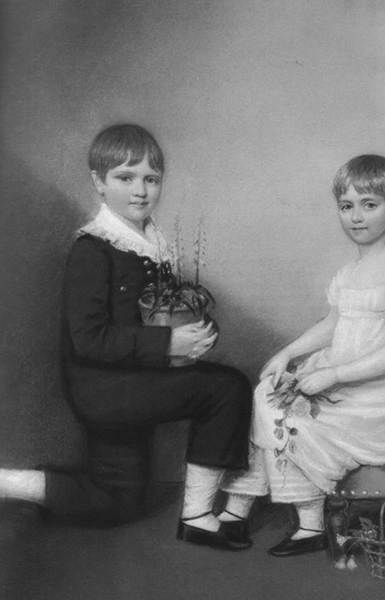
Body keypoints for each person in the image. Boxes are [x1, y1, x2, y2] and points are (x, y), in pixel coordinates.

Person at [0, 124, 252, 551]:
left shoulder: (151, 241)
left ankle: (14, 483)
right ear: (98, 182)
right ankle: (196, 516)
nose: (140, 190)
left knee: (117, 501)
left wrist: (192, 336)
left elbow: (157, 312)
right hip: (104, 389)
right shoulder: (93, 248)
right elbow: (88, 339)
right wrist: (168, 345)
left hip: (134, 379)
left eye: (151, 179)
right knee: (226, 388)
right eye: (125, 177)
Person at [220, 154, 385, 561]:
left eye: (369, 205)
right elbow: (333, 324)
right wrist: (288, 352)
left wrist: (333, 375)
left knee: (291, 413)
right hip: (349, 373)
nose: (356, 217)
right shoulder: (350, 272)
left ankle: (308, 523)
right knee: (268, 392)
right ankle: (239, 506)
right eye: (347, 206)